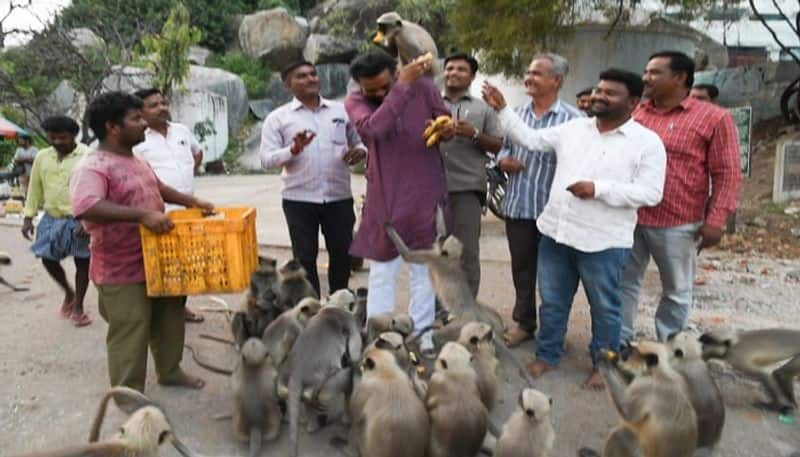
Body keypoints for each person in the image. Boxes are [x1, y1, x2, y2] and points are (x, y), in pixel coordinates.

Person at [482, 68, 667, 389]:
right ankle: (547, 354)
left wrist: (598, 188)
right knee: (552, 301)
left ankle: (604, 364)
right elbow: (532, 139)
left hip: (604, 243)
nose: (599, 96)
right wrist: (502, 109)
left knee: (605, 308)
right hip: (556, 234)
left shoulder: (647, 143)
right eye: (598, 89)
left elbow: (651, 192)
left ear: (633, 102)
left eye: (610, 93)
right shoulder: (574, 128)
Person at [70, 91, 214, 393]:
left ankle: (170, 371)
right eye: (136, 119)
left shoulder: (135, 159)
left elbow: (158, 187)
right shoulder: (94, 165)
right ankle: (127, 393)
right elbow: (86, 205)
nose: (144, 125)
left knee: (170, 317)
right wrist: (142, 216)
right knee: (131, 328)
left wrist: (191, 201)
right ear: (113, 127)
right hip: (120, 268)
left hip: (158, 258)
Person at [621, 51, 742, 342]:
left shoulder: (714, 118)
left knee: (676, 290)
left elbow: (727, 173)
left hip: (678, 222)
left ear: (680, 78)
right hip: (631, 217)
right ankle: (620, 341)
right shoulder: (635, 114)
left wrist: (716, 220)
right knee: (623, 284)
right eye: (646, 71)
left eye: (654, 73)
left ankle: (670, 348)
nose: (646, 78)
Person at [345, 50, 454, 357]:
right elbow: (373, 129)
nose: (379, 93)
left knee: (424, 273)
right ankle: (380, 339)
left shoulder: (425, 87)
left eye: (384, 85)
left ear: (395, 70)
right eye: (372, 91)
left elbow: (442, 119)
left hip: (425, 195)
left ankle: (422, 337)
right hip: (386, 201)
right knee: (382, 273)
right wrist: (400, 87)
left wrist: (447, 128)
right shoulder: (355, 101)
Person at [499, 54, 584, 348]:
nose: (528, 78)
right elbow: (502, 148)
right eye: (528, 72)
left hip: (556, 211)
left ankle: (553, 330)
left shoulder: (574, 119)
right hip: (519, 205)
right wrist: (502, 161)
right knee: (522, 269)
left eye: (536, 74)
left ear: (556, 80)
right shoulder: (515, 115)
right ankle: (524, 323)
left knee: (557, 275)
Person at [261, 61, 366, 296]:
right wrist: (293, 150)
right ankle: (313, 309)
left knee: (342, 254)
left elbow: (358, 141)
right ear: (288, 85)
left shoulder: (340, 111)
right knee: (305, 258)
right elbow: (266, 160)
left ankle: (339, 303)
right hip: (299, 199)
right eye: (301, 76)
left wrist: (359, 152)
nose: (310, 79)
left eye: (313, 74)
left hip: (338, 197)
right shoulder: (278, 118)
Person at [132, 88, 205, 324]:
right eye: (153, 105)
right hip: (157, 213)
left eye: (163, 102)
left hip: (187, 209)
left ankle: (179, 308)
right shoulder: (138, 139)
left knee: (185, 263)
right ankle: (156, 312)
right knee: (159, 264)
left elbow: (197, 152)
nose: (162, 107)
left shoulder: (181, 131)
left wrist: (186, 175)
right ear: (140, 112)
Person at [439, 52, 503, 297]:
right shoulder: (429, 103)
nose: (453, 73)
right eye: (450, 68)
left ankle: (466, 310)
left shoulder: (483, 109)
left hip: (466, 188)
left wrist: (474, 134)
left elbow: (498, 145)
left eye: (461, 69)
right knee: (436, 252)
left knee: (466, 252)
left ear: (472, 76)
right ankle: (437, 312)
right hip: (429, 190)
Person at [21, 116, 91, 327]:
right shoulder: (42, 156)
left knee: (83, 263)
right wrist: (27, 217)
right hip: (52, 218)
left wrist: (88, 220)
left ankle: (78, 306)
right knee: (46, 257)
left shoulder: (88, 155)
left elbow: (97, 191)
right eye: (53, 137)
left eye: (63, 137)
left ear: (73, 136)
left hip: (80, 219)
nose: (58, 142)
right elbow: (34, 188)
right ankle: (68, 293)